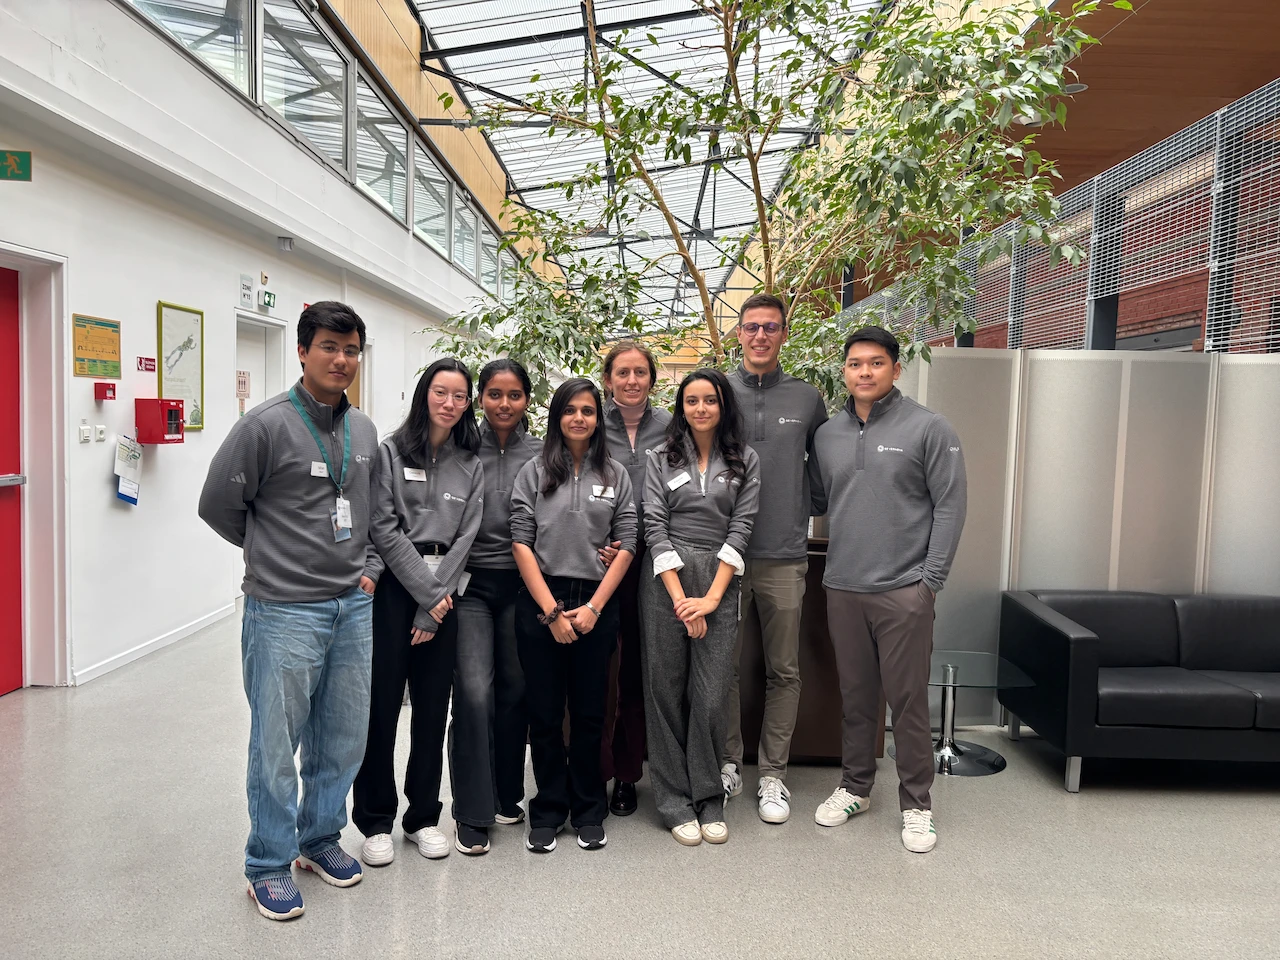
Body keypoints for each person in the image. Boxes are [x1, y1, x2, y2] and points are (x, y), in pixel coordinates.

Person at [199, 301, 379, 921]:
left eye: (352, 349)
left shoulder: (366, 432)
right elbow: (217, 506)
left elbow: (374, 515)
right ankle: (268, 864)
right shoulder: (265, 425)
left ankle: (319, 837)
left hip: (351, 609)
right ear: (302, 351)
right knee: (276, 744)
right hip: (283, 611)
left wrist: (369, 573)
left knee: (342, 735)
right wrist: (271, 559)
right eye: (330, 346)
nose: (342, 359)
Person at [810, 325, 967, 854]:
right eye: (855, 364)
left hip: (904, 589)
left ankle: (917, 805)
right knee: (856, 699)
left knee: (907, 703)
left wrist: (930, 583)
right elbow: (816, 499)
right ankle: (856, 788)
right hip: (843, 586)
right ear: (844, 370)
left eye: (876, 363)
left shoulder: (929, 427)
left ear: (896, 369)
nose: (865, 372)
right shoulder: (828, 434)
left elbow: (950, 505)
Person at [352, 358, 484, 863]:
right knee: (380, 710)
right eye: (440, 392)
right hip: (394, 592)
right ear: (424, 394)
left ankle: (424, 816)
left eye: (458, 395)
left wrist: (435, 605)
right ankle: (375, 821)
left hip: (447, 595)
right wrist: (425, 595)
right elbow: (383, 528)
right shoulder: (389, 451)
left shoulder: (470, 464)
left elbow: (466, 537)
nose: (449, 403)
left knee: (432, 711)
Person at [510, 378, 637, 853]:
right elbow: (521, 540)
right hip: (543, 600)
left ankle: (588, 807)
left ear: (597, 418)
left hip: (596, 600)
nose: (579, 418)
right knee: (543, 715)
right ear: (556, 417)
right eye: (570, 410)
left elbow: (628, 541)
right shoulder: (534, 471)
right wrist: (553, 614)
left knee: (588, 714)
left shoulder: (616, 474)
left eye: (588, 410)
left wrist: (594, 609)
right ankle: (547, 807)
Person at [721, 293, 828, 824]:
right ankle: (726, 763)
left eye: (771, 327)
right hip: (722, 557)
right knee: (723, 665)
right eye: (751, 327)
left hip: (785, 555)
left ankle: (772, 777)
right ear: (737, 334)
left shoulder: (808, 398)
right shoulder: (716, 393)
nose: (760, 336)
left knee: (783, 669)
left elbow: (823, 466)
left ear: (784, 334)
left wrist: (804, 507)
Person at [642, 369, 760, 845]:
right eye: (691, 401)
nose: (701, 409)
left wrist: (710, 599)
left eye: (709, 400)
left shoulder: (745, 459)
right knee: (665, 690)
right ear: (681, 407)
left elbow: (743, 526)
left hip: (720, 578)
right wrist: (680, 600)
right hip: (665, 579)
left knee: (711, 695)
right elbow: (653, 524)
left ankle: (708, 795)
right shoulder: (660, 457)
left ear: (723, 404)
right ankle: (672, 799)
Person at [451, 359, 540, 845]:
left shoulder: (541, 451)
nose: (504, 404)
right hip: (470, 585)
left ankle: (508, 793)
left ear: (527, 399)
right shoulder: (461, 447)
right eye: (494, 394)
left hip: (524, 584)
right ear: (480, 397)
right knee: (474, 692)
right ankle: (472, 810)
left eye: (514, 395)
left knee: (514, 690)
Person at [599, 341, 672, 816]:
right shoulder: (588, 419)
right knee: (600, 669)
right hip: (600, 561)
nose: (631, 381)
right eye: (622, 373)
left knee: (639, 668)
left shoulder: (671, 425)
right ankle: (592, 769)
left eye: (640, 372)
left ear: (651, 378)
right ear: (608, 379)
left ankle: (628, 774)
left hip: (656, 557)